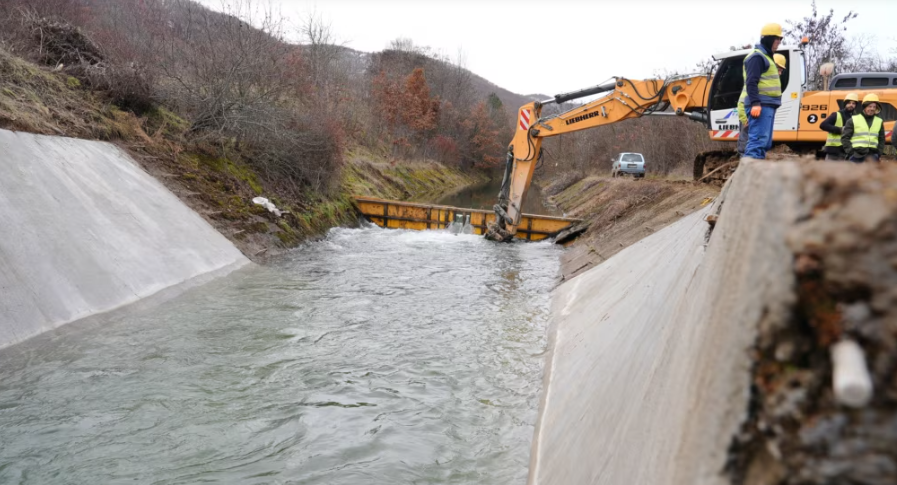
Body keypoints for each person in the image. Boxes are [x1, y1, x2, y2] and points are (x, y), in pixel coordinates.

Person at [743, 23, 784, 159]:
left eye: (780, 39)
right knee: (757, 143)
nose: (778, 42)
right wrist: (755, 103)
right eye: (776, 39)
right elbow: (751, 82)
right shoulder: (757, 57)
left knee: (764, 143)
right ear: (768, 38)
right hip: (761, 105)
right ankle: (748, 177)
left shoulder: (766, 57)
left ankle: (754, 175)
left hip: (767, 105)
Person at [737, 53, 787, 156]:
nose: (780, 73)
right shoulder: (757, 84)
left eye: (781, 70)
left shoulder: (766, 83)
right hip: (749, 117)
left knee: (757, 144)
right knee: (750, 144)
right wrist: (744, 118)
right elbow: (742, 101)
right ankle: (746, 166)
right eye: (779, 69)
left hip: (753, 115)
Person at [841, 94, 885, 163]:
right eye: (870, 106)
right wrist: (851, 153)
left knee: (872, 174)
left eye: (874, 107)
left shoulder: (879, 121)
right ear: (865, 107)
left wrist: (878, 153)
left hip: (873, 156)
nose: (872, 109)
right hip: (856, 156)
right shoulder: (853, 119)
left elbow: (881, 139)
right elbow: (845, 138)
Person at [819, 93, 859, 161]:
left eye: (853, 103)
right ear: (845, 104)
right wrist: (840, 130)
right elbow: (823, 125)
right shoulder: (836, 115)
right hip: (834, 150)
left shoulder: (856, 118)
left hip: (847, 150)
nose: (851, 105)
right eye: (849, 103)